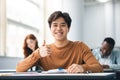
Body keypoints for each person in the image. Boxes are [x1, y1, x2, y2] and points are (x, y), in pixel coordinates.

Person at [16, 11, 103, 73]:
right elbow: (19, 68)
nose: (58, 29)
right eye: (55, 25)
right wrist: (37, 53)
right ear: (50, 29)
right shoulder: (43, 51)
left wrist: (83, 68)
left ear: (68, 28)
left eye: (63, 25)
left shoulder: (80, 46)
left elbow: (98, 67)